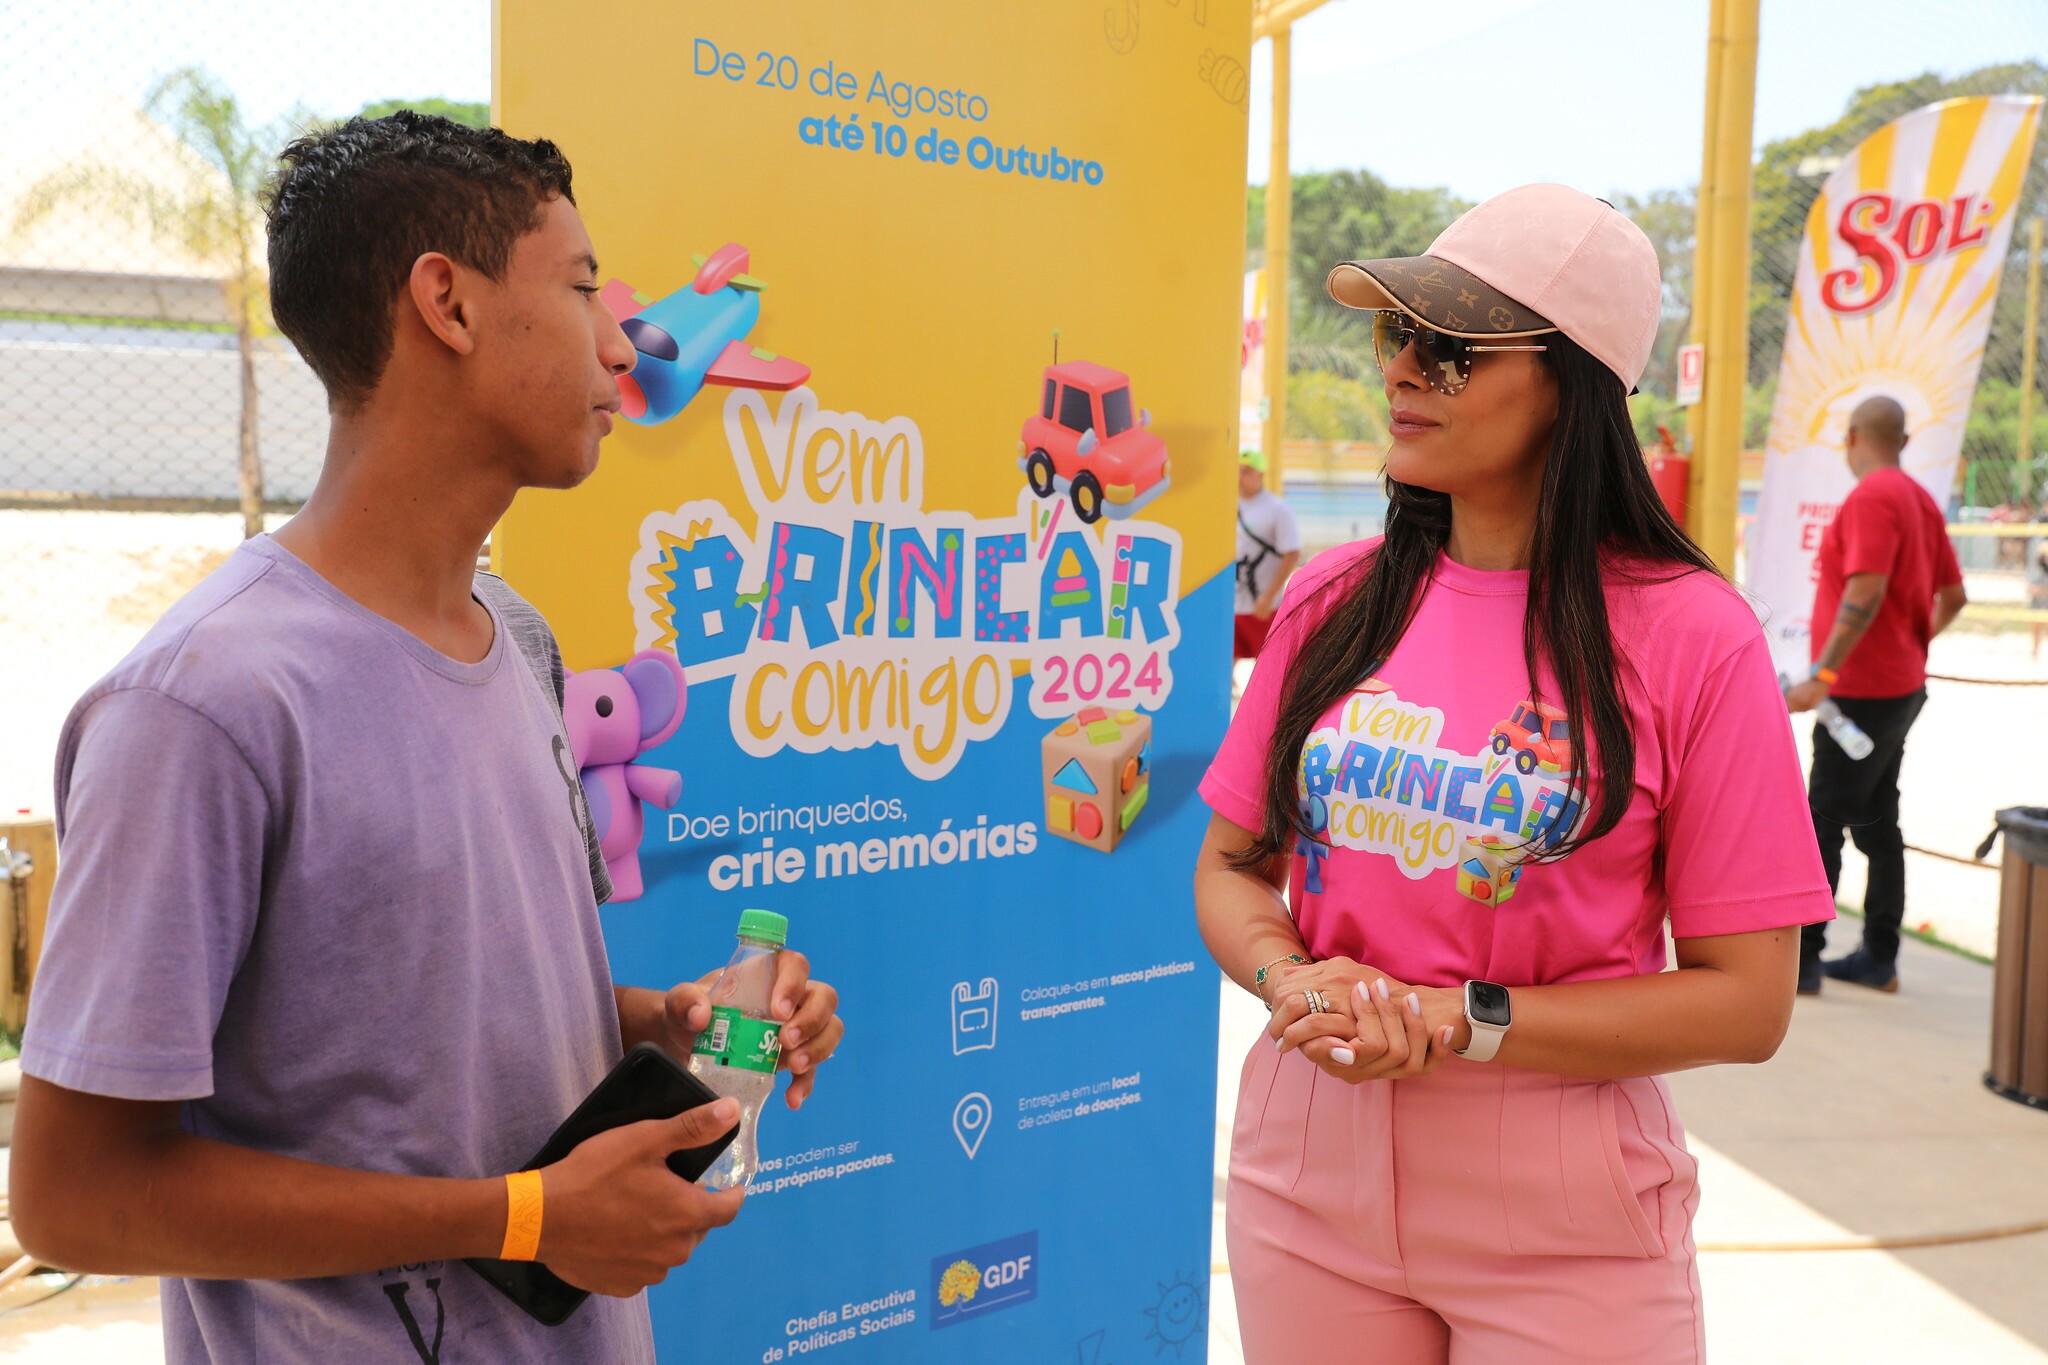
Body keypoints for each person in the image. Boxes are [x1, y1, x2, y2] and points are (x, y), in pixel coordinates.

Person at [10, 114, 844, 1363]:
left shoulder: (515, 636)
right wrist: (519, 1219)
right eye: (579, 289)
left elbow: (409, 1017)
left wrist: (668, 1019)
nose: (623, 342)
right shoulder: (202, 706)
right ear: (445, 304)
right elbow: (76, 1197)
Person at [1193, 184, 1833, 1364]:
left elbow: (1746, 1001)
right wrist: (1294, 980)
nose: (1401, 372)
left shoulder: (1694, 636)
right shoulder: (1331, 599)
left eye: (1447, 349)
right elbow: (1232, 864)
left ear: (1571, 383)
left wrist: (1461, 1021)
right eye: (1394, 336)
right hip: (1305, 1154)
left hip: (1560, 1194)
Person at [1785, 396, 1966, 994]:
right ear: (1904, 440)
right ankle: (1879, 954)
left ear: (1854, 435)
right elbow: (1954, 597)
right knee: (1879, 819)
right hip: (1899, 687)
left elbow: (1863, 592)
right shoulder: (1918, 499)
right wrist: (1910, 645)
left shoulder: (1872, 498)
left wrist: (1826, 676)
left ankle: (1804, 961)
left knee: (1824, 822)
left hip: (1856, 695)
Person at [1234, 448, 1302, 659]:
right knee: (1226, 661)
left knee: (1267, 660)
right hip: (1232, 602)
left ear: (1260, 475)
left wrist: (1269, 595)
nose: (1240, 477)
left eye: (1246, 471)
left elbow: (1291, 553)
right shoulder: (1227, 505)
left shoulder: (1277, 509)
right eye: (1237, 471)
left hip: (1263, 604)